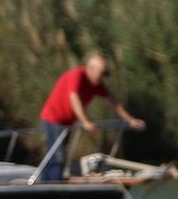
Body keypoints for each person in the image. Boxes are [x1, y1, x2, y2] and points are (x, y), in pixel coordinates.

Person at [38, 53, 145, 181]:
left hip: (67, 123)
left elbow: (113, 102)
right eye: (101, 73)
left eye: (105, 74)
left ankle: (50, 183)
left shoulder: (97, 84)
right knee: (57, 157)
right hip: (52, 119)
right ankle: (51, 187)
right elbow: (74, 98)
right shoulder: (76, 75)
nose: (103, 77)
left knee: (59, 156)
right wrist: (85, 122)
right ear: (91, 68)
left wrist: (130, 120)